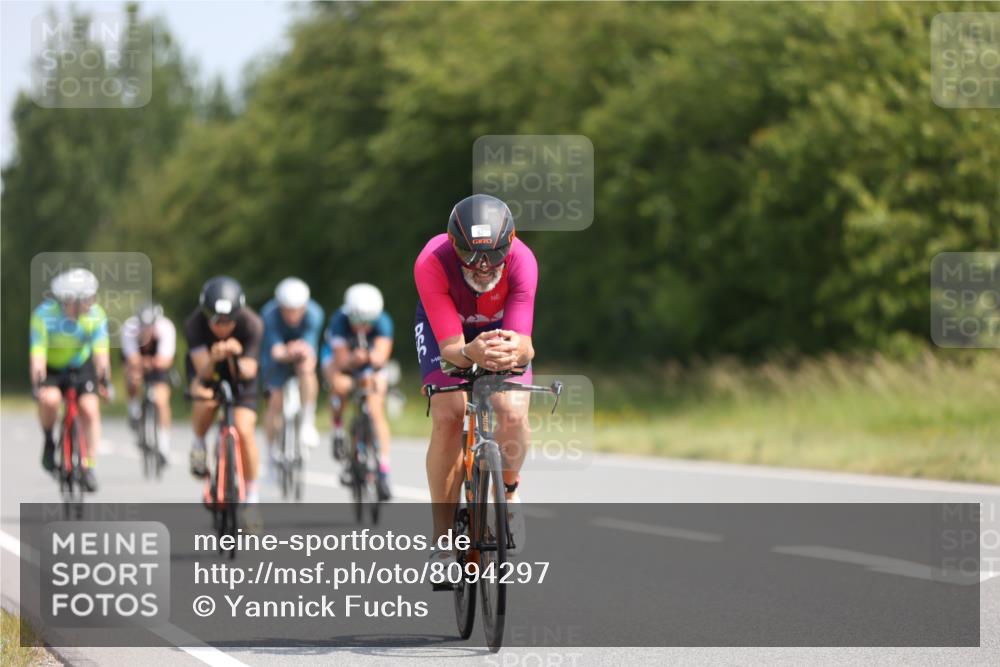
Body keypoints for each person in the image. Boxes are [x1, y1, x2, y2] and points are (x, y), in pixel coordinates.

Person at [413, 194, 537, 559]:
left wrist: (516, 352)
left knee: (512, 412)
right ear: (454, 245)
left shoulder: (523, 260)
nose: (483, 266)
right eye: (470, 255)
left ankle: (508, 493)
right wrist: (470, 353)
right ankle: (442, 541)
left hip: (498, 330)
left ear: (510, 244)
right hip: (447, 331)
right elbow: (452, 348)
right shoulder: (431, 261)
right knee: (449, 415)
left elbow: (525, 345)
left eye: (494, 255)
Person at [184, 276, 264, 506]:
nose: (222, 327)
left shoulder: (252, 324)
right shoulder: (194, 324)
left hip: (241, 376)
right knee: (205, 399)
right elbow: (203, 373)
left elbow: (249, 370)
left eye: (228, 321)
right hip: (207, 371)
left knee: (244, 429)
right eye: (216, 321)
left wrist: (235, 357)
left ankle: (252, 494)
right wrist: (214, 358)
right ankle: (198, 443)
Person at [29, 268, 111, 491]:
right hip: (53, 369)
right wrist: (38, 384)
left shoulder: (96, 315)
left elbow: (101, 353)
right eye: (88, 298)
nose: (93, 302)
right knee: (50, 400)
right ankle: (49, 441)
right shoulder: (44, 316)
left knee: (90, 409)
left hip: (81, 366)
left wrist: (104, 381)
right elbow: (38, 354)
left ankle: (89, 465)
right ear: (70, 300)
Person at [321, 283, 394, 500]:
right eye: (357, 321)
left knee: (375, 406)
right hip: (340, 360)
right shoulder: (339, 321)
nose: (362, 326)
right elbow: (341, 361)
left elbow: (381, 357)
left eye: (367, 322)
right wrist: (354, 359)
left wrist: (370, 359)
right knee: (340, 385)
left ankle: (383, 469)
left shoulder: (383, 321)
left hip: (369, 365)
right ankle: (337, 428)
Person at [260, 277, 325, 470]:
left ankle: (308, 420)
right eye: (287, 310)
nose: (292, 314)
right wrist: (287, 351)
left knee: (307, 368)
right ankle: (270, 453)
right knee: (274, 402)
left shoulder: (315, 313)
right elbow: (275, 350)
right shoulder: (269, 314)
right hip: (276, 357)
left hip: (300, 353)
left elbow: (310, 348)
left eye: (297, 310)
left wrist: (301, 351)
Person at [121, 302, 176, 465]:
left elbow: (166, 360)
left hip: (158, 362)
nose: (146, 330)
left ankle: (164, 444)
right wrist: (139, 365)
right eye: (143, 326)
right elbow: (131, 358)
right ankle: (134, 410)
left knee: (161, 400)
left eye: (149, 326)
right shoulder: (129, 328)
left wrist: (152, 363)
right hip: (137, 360)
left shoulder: (166, 328)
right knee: (132, 377)